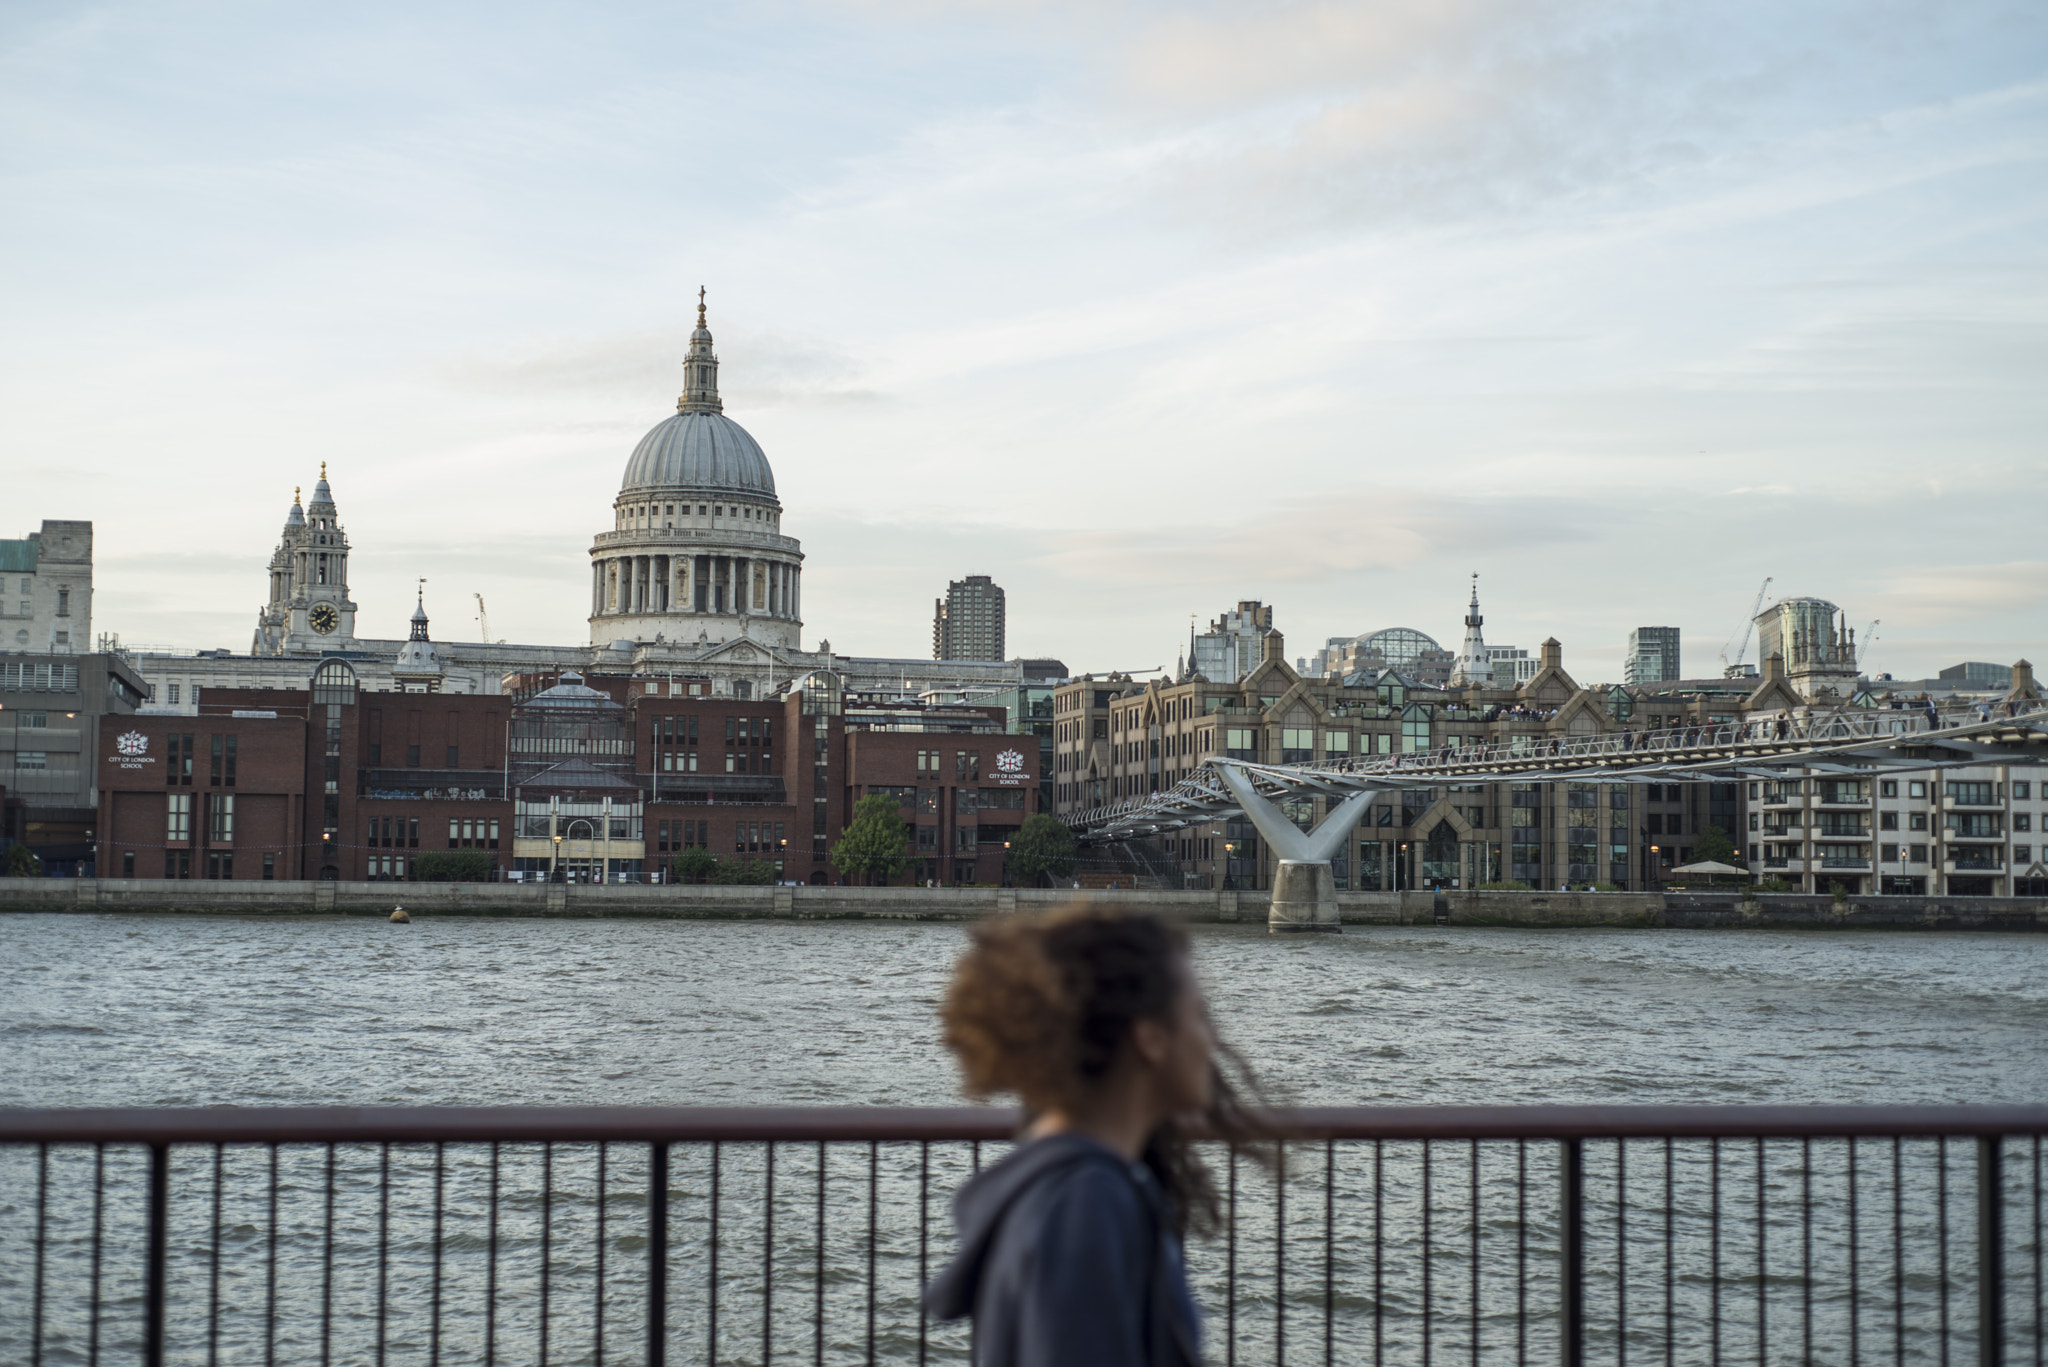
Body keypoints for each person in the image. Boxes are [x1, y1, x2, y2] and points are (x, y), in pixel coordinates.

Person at [924, 906, 1269, 1367]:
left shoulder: (1075, 1186)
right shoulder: (1086, 1205)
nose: (1210, 1040)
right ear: (1150, 1039)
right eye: (1198, 1016)